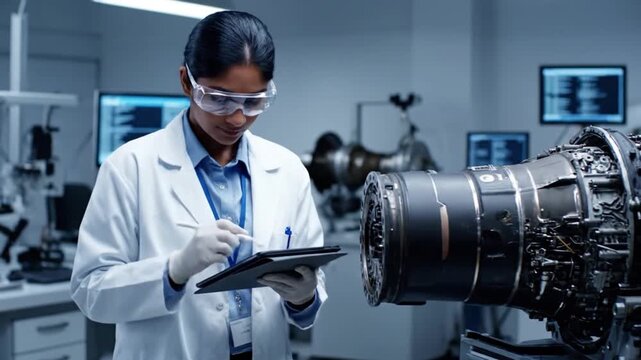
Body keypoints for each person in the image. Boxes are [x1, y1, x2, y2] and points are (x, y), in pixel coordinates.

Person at [71, 11, 327, 360]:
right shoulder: (129, 167)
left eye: (253, 102)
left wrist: (304, 296)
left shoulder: (287, 170)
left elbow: (309, 293)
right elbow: (91, 291)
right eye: (219, 99)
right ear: (186, 82)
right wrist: (173, 270)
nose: (237, 118)